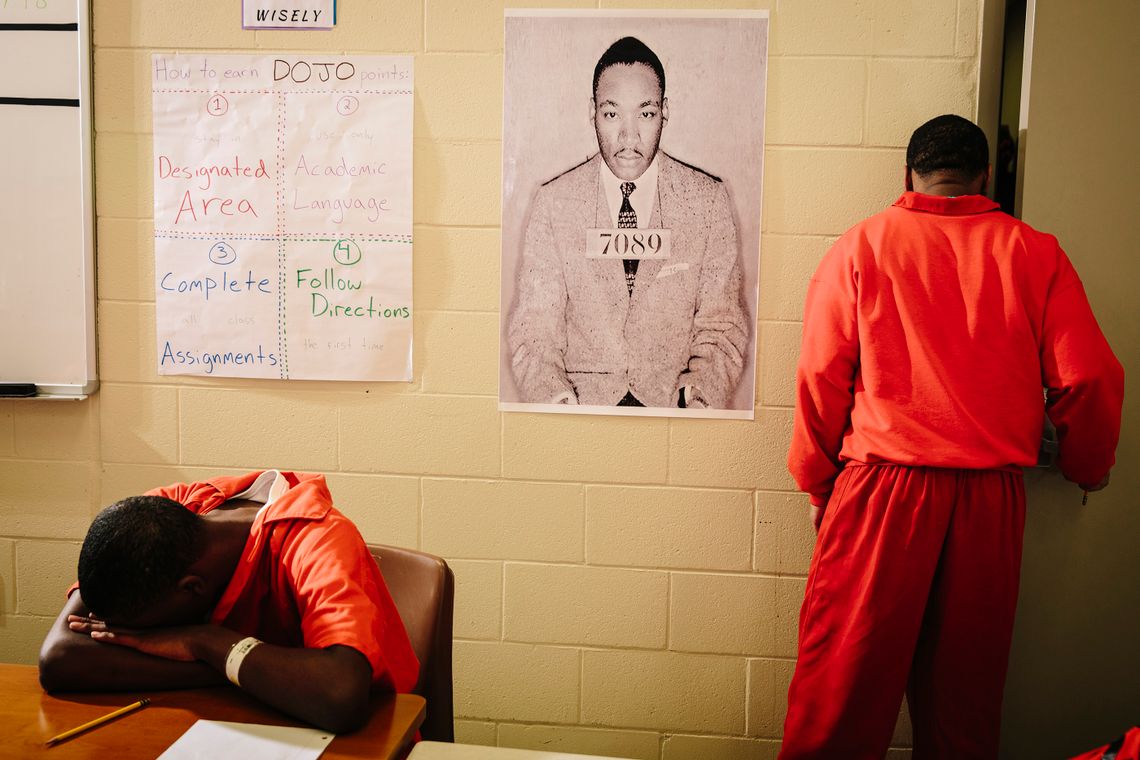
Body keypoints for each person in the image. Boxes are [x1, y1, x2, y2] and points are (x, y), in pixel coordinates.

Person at [782, 114, 1123, 759]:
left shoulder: (863, 245)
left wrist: (817, 481)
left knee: (840, 702)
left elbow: (819, 375)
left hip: (881, 494)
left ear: (906, 175)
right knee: (962, 714)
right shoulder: (1034, 251)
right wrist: (1086, 464)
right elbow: (1092, 377)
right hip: (988, 504)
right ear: (984, 178)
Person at [38, 470, 419, 734]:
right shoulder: (163, 514)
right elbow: (61, 659)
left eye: (149, 632)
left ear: (191, 589)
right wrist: (238, 671)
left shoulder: (316, 541)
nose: (140, 639)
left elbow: (339, 695)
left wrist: (202, 642)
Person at [507, 36, 748, 409]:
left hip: (673, 416)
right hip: (583, 417)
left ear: (665, 111)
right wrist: (556, 408)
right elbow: (534, 333)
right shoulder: (554, 205)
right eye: (612, 113)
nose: (629, 136)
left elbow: (723, 329)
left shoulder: (707, 203)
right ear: (593, 112)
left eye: (646, 114)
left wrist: (697, 402)